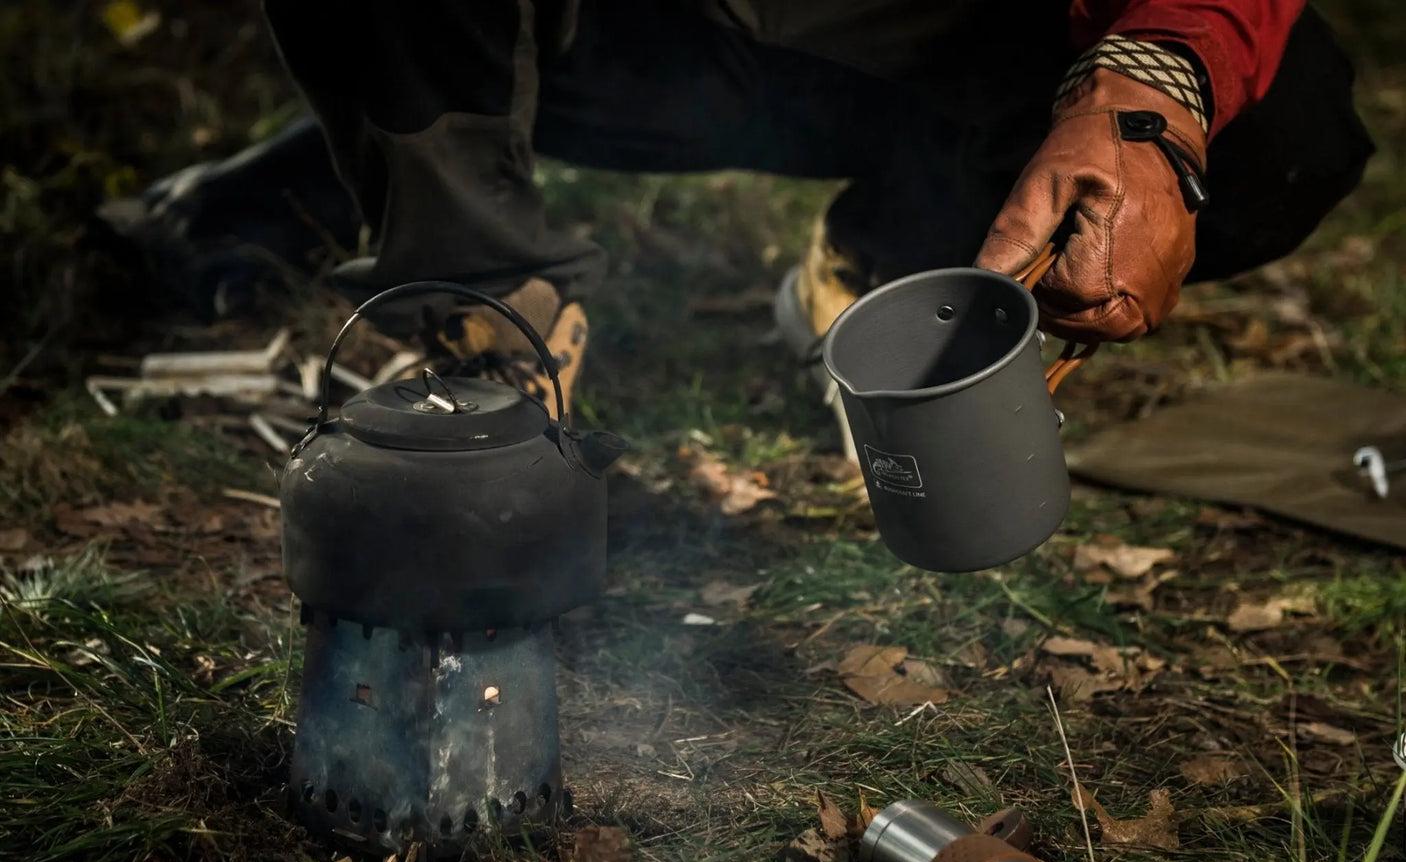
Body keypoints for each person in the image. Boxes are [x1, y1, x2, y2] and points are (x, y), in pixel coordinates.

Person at [103, 0, 1372, 444]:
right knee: (428, 75)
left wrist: (1145, 92)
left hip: (928, 45)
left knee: (1283, 128)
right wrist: (472, 262)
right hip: (628, 41)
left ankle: (877, 265)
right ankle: (423, 207)